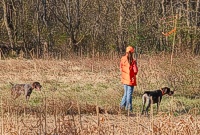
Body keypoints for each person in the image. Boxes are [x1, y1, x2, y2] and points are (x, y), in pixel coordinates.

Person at [120, 46, 138, 112]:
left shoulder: (122, 59)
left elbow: (121, 68)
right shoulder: (133, 61)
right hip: (131, 80)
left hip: (124, 79)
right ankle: (129, 109)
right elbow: (135, 71)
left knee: (125, 94)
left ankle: (121, 107)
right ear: (132, 52)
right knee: (129, 95)